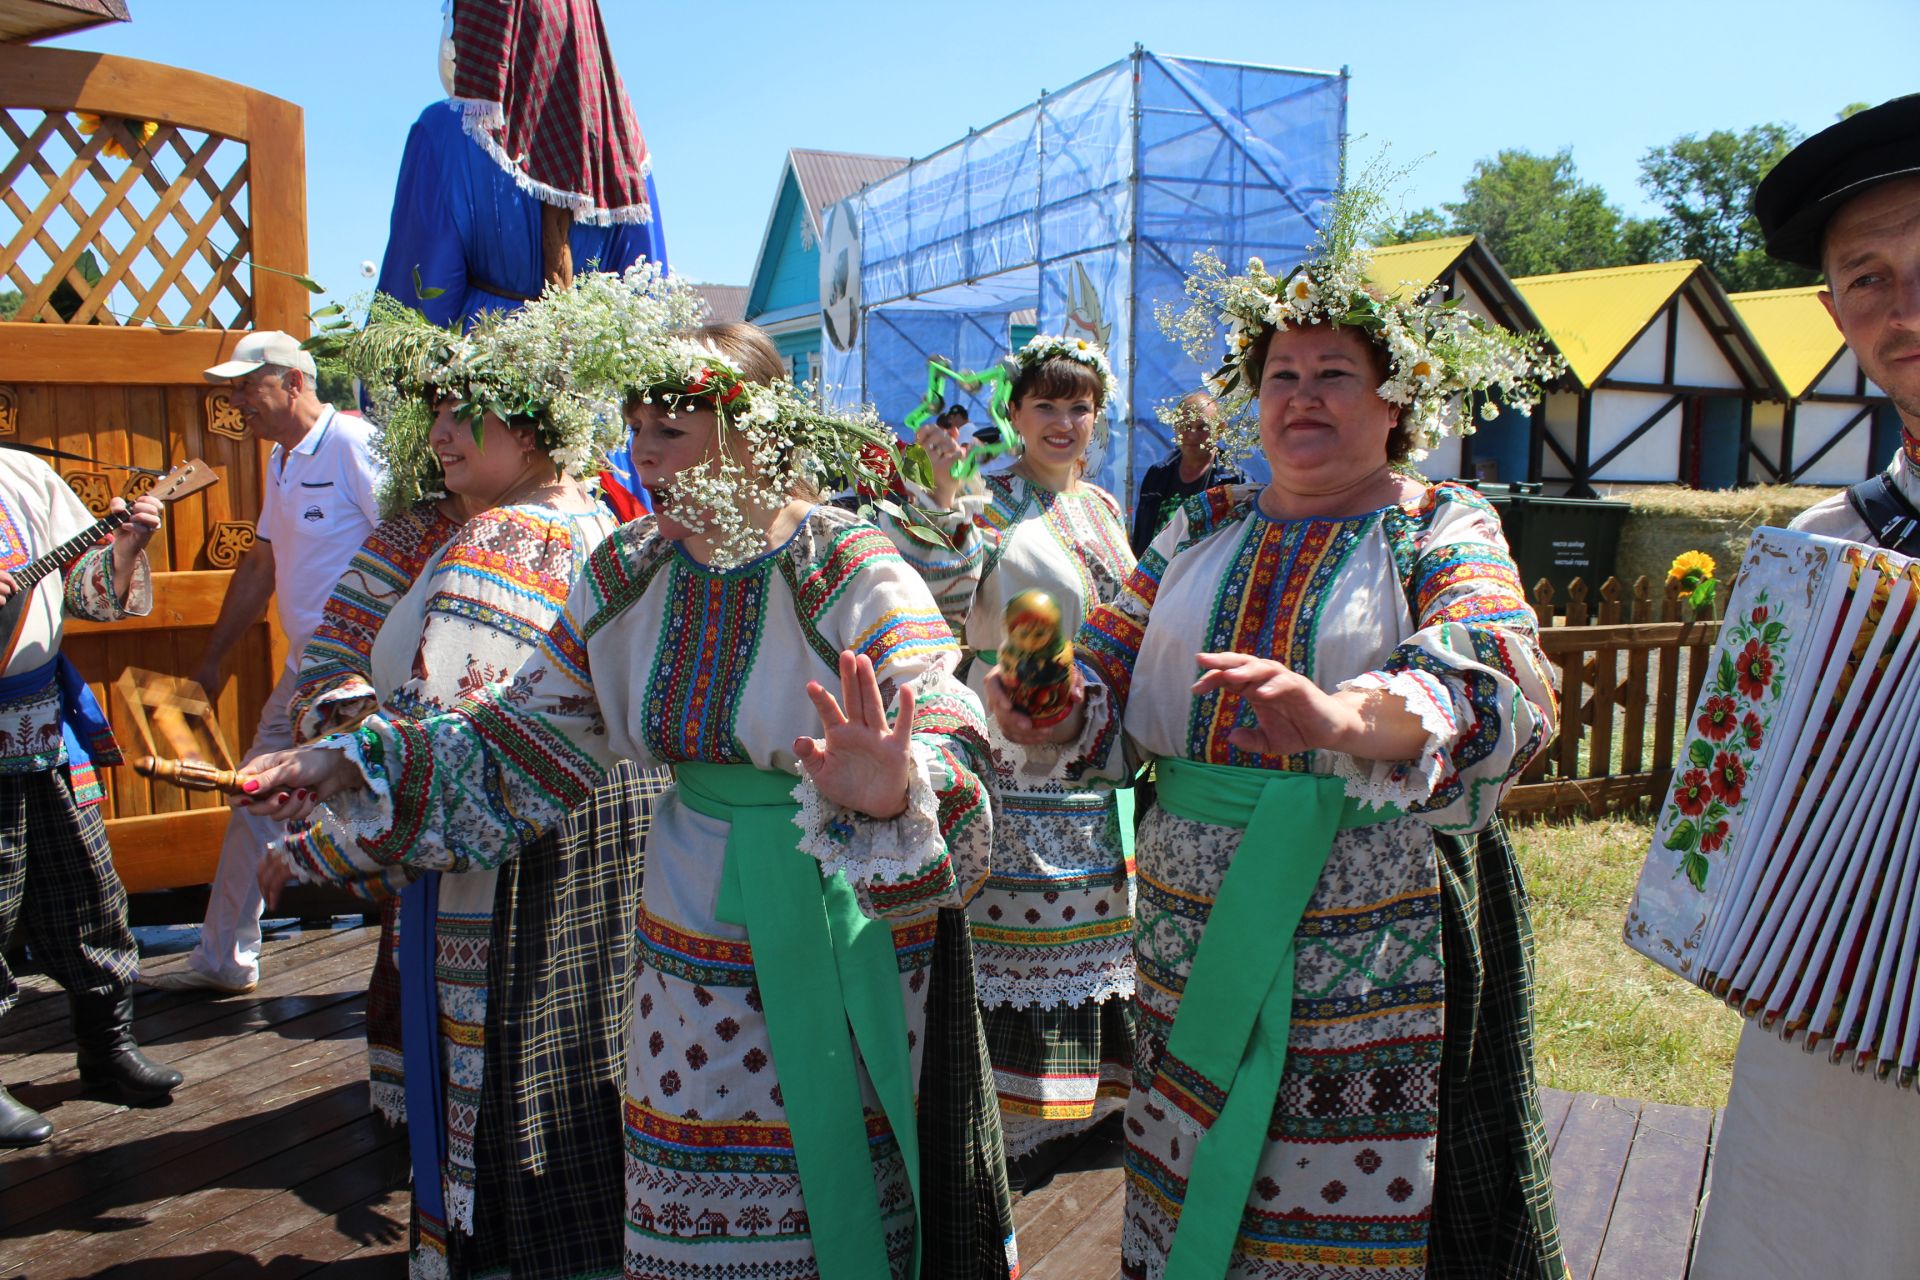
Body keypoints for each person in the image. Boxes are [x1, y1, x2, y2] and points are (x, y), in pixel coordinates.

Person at [237, 318, 1017, 1280]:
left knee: (837, 1194)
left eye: (673, 428)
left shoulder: (844, 564)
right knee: (690, 1189)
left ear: (753, 434)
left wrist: (900, 784)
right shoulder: (625, 569)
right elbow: (520, 739)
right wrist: (358, 762)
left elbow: (940, 706)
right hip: (684, 923)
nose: (644, 453)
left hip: (835, 907)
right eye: (636, 425)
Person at [987, 195, 1568, 1278]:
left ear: (1395, 400)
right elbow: (1102, 673)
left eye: (1333, 372)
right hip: (1185, 914)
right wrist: (1050, 707)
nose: (1301, 396)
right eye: (1281, 375)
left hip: (1370, 914)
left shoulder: (1440, 523)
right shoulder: (1202, 524)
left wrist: (1348, 717)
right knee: (1194, 1160)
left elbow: (1499, 673)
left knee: (1344, 1184)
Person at [272, 278, 674, 1278]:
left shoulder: (506, 537)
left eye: (468, 412)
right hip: (588, 841)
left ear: (535, 426)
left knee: (505, 1087)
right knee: (577, 1073)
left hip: (500, 861)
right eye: (437, 412)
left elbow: (463, 739)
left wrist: (329, 825)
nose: (441, 433)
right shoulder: (595, 524)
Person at [1689, 93, 1920, 1280]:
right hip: (1831, 1055)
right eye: (1869, 277)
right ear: (1833, 313)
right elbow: (1727, 838)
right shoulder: (1819, 551)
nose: (1907, 309)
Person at [889, 333, 1137, 1173]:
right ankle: (1005, 1118)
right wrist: (944, 497)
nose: (1065, 422)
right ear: (1015, 414)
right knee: (1009, 934)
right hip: (1009, 740)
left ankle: (1083, 1101)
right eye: (1046, 406)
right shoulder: (989, 501)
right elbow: (945, 596)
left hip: (1092, 751)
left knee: (1085, 930)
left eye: (1080, 407)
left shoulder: (1101, 506)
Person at [143, 330, 381, 996]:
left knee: (379, 814)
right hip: (304, 674)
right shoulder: (281, 460)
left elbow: (411, 547)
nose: (238, 401)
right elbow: (261, 563)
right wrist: (212, 660)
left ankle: (400, 979)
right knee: (252, 792)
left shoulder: (354, 447)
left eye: (248, 386)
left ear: (296, 382)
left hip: (362, 681)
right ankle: (223, 960)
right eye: (236, 389)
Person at [0, 453, 175, 1146]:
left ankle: (106, 1050)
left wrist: (127, 546)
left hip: (39, 722)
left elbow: (90, 593)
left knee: (90, 887)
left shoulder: (21, 474)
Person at [1128, 391, 1246, 556]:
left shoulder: (1235, 481)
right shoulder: (1157, 475)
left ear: (1219, 429)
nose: (1192, 435)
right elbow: (1142, 535)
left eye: (1202, 427)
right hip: (1157, 577)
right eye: (1185, 426)